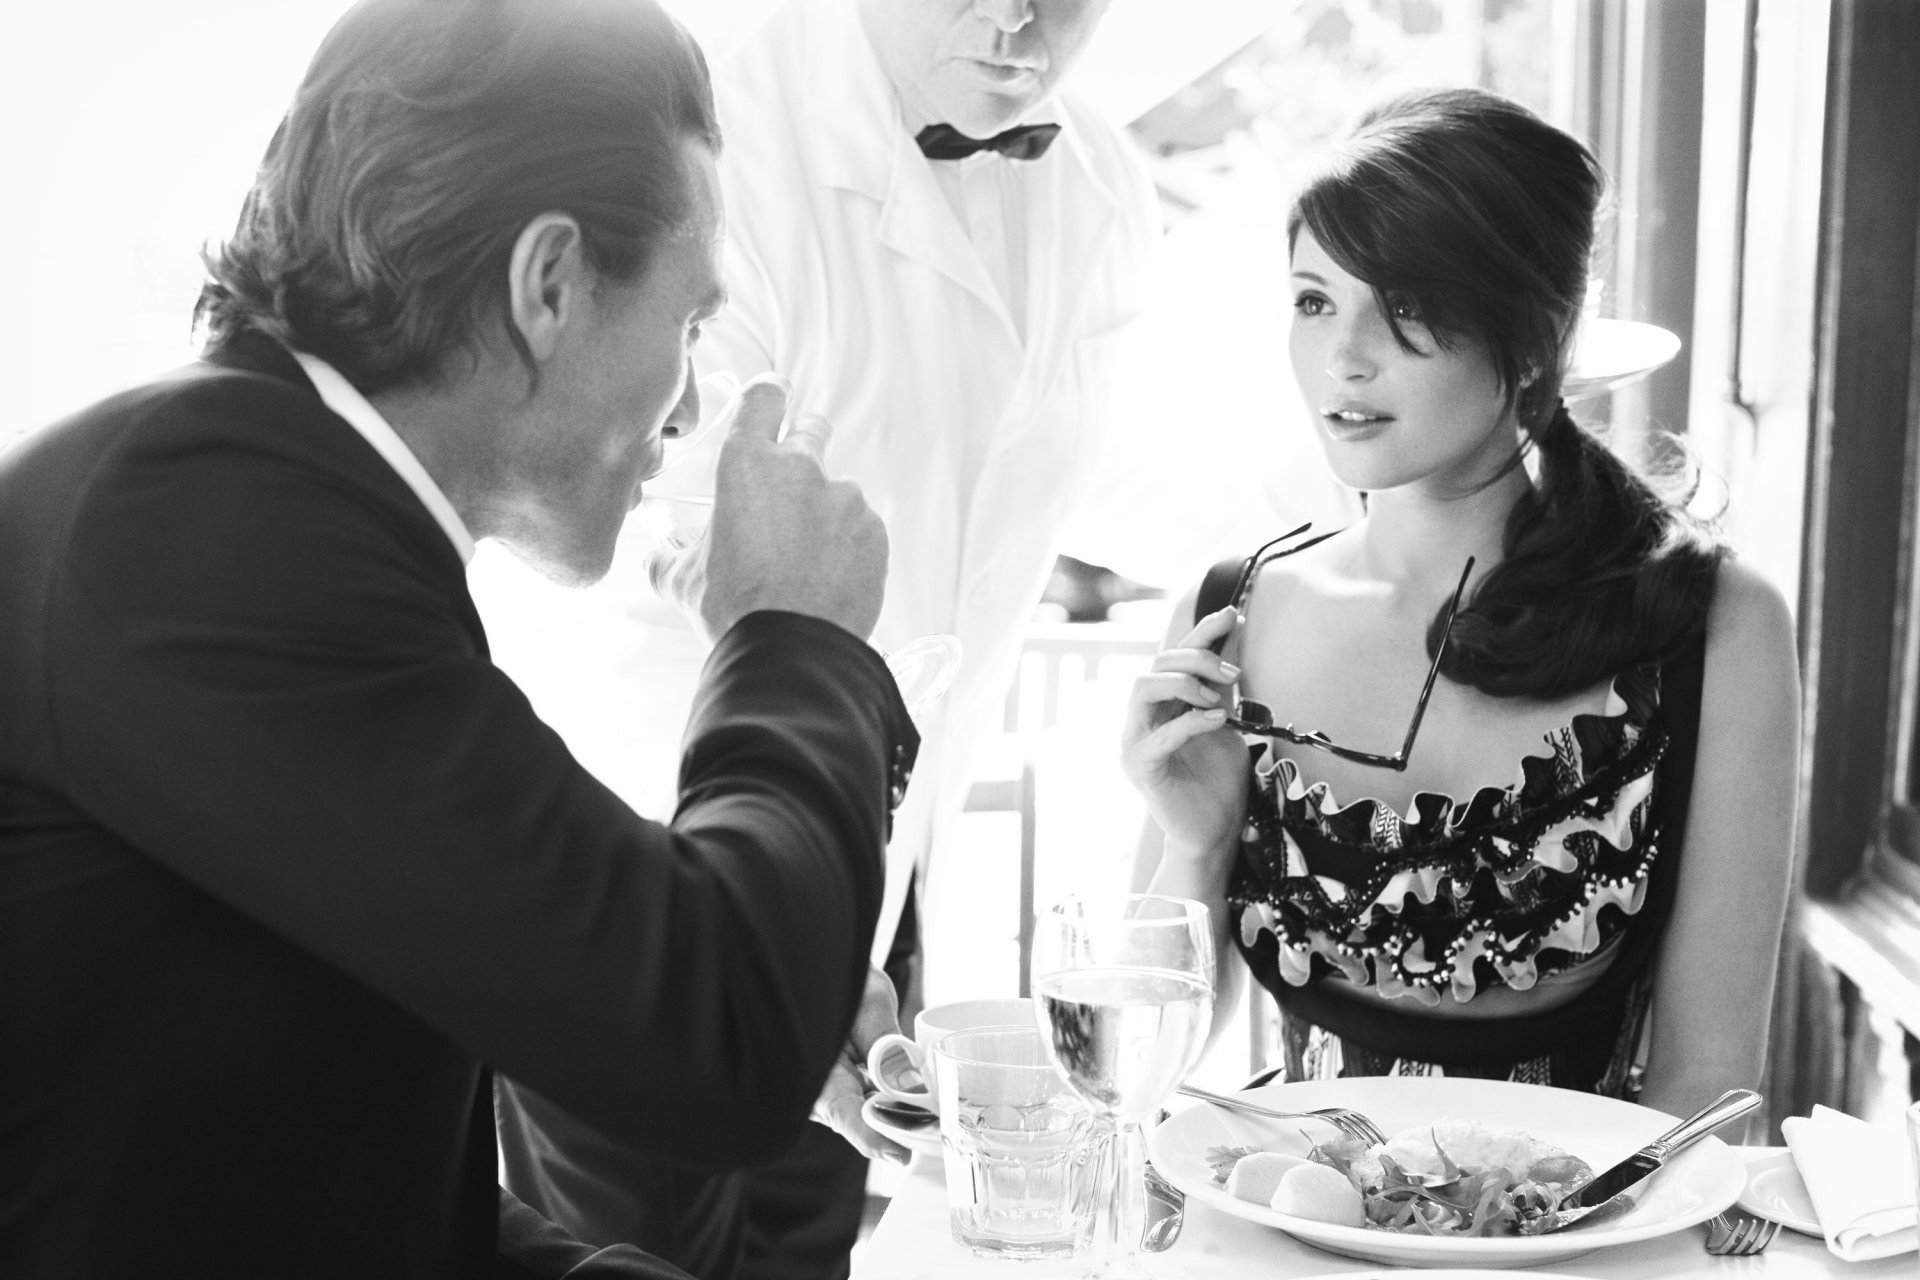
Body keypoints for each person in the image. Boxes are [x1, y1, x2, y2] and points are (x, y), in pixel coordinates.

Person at [0, 0, 919, 1275]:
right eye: (689, 323)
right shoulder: (200, 524)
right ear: (549, 284)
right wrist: (792, 634)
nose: (693, 401)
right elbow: (717, 1039)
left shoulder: (285, 501)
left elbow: (333, 1175)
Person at [488, 0, 1165, 1275]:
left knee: (808, 1253)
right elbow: (672, 515)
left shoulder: (1103, 184)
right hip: (636, 872)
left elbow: (1108, 463)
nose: (1014, 20)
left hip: (867, 858)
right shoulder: (706, 149)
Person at [1122, 87, 1798, 1117]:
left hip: (1597, 1215)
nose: (1344, 356)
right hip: (1283, 1205)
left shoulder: (1714, 629)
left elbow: (1707, 1085)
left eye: (1404, 306)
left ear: (1529, 338)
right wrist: (1196, 843)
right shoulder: (1230, 617)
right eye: (1314, 301)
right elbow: (1135, 1064)